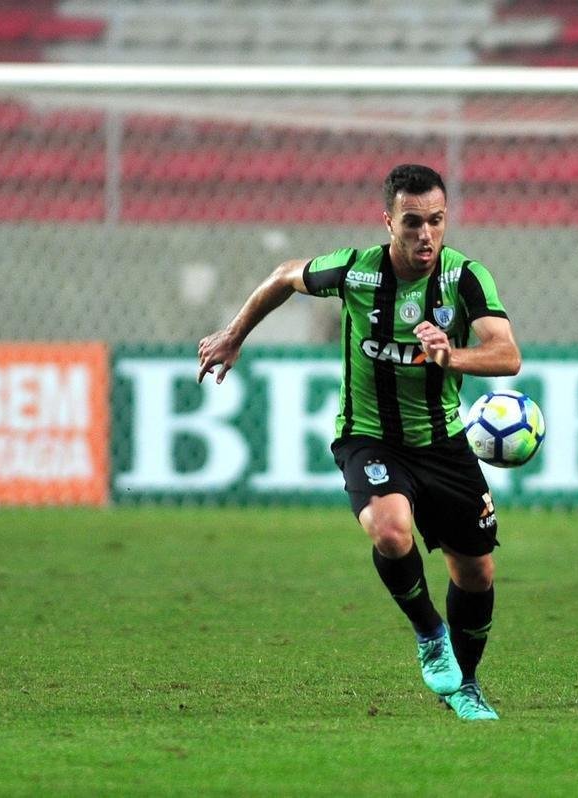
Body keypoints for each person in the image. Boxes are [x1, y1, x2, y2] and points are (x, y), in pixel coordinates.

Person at [197, 164, 520, 719]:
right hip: (368, 438)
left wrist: (452, 355)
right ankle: (428, 632)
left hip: (443, 442)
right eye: (412, 222)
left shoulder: (466, 279)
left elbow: (507, 353)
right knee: (391, 532)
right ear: (388, 220)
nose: (426, 235)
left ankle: (465, 685)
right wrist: (233, 334)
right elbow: (281, 277)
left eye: (436, 221)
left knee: (477, 574)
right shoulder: (355, 271)